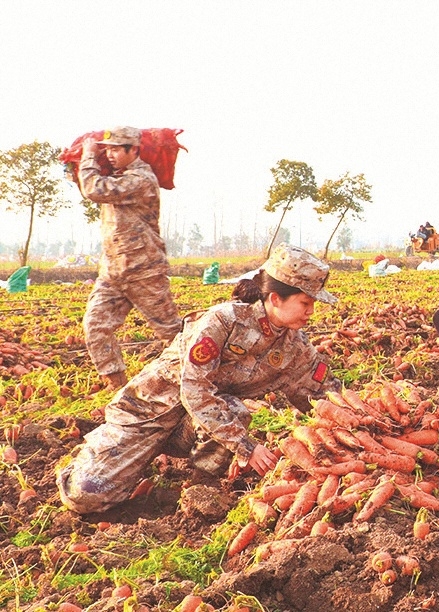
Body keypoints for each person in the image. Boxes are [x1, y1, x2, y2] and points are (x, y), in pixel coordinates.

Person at [57, 244, 342, 514]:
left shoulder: (294, 345)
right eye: (305, 302)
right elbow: (195, 390)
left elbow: (321, 392)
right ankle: (100, 451)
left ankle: (201, 485)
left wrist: (358, 420)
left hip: (191, 426)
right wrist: (246, 447)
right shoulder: (223, 321)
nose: (311, 311)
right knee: (85, 496)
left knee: (233, 410)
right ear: (276, 298)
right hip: (148, 414)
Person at [78, 127, 181, 390]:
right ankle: (118, 390)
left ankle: (199, 382)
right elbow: (90, 187)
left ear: (133, 150)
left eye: (116, 149)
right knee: (95, 326)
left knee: (172, 333)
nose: (110, 155)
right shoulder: (118, 178)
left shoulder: (140, 179)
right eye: (107, 150)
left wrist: (88, 157)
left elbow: (94, 188)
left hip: (143, 270)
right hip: (113, 272)